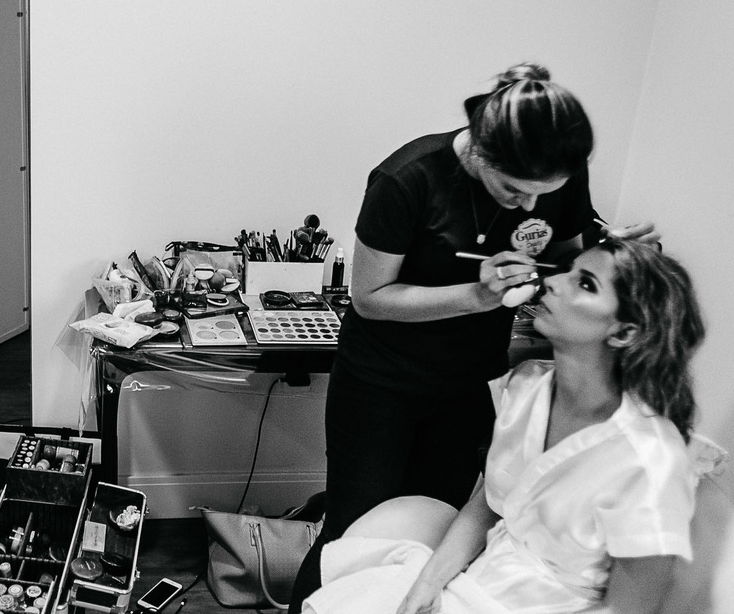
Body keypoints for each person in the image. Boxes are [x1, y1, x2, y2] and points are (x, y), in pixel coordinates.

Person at [289, 63, 659, 611]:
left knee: (439, 520)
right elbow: (369, 298)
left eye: (544, 194)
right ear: (481, 151)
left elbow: (562, 257)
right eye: (514, 190)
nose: (529, 207)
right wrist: (476, 296)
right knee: (353, 527)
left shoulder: (556, 174)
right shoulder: (407, 179)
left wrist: (608, 254)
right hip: (380, 382)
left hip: (471, 380)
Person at [301, 238, 705, 614]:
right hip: (479, 581)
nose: (553, 282)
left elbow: (630, 609)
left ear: (625, 331)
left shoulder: (649, 457)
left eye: (585, 283)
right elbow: (487, 507)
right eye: (567, 270)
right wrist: (423, 591)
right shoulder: (527, 386)